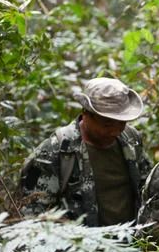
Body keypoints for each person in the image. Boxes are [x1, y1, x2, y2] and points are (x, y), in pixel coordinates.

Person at [20, 77, 152, 226]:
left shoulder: (131, 139)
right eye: (107, 123)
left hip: (130, 245)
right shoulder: (54, 152)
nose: (116, 131)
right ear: (86, 113)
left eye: (122, 123)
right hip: (79, 246)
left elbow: (146, 187)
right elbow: (33, 218)